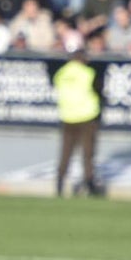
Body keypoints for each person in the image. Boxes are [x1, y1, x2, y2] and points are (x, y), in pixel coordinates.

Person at [53, 46, 103, 198]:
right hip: (86, 116)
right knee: (88, 153)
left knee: (66, 152)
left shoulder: (62, 73)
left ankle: (60, 183)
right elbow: (98, 91)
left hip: (67, 116)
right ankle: (89, 183)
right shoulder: (87, 73)